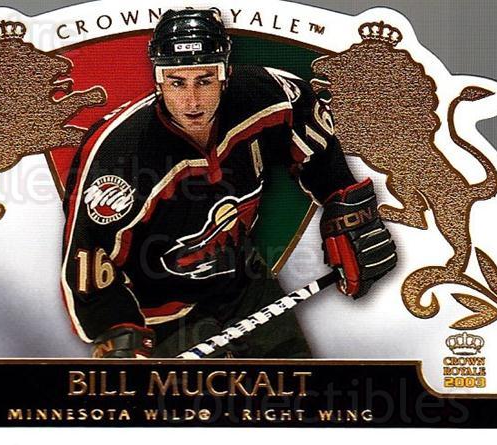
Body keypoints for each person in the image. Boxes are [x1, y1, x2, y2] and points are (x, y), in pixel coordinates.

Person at [61, 9, 396, 358]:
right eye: (177, 82)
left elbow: (307, 123)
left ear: (225, 74)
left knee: (297, 384)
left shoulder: (265, 95)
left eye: (204, 80)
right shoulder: (119, 155)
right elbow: (87, 258)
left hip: (241, 281)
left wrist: (345, 204)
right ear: (158, 79)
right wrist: (118, 332)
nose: (192, 101)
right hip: (161, 315)